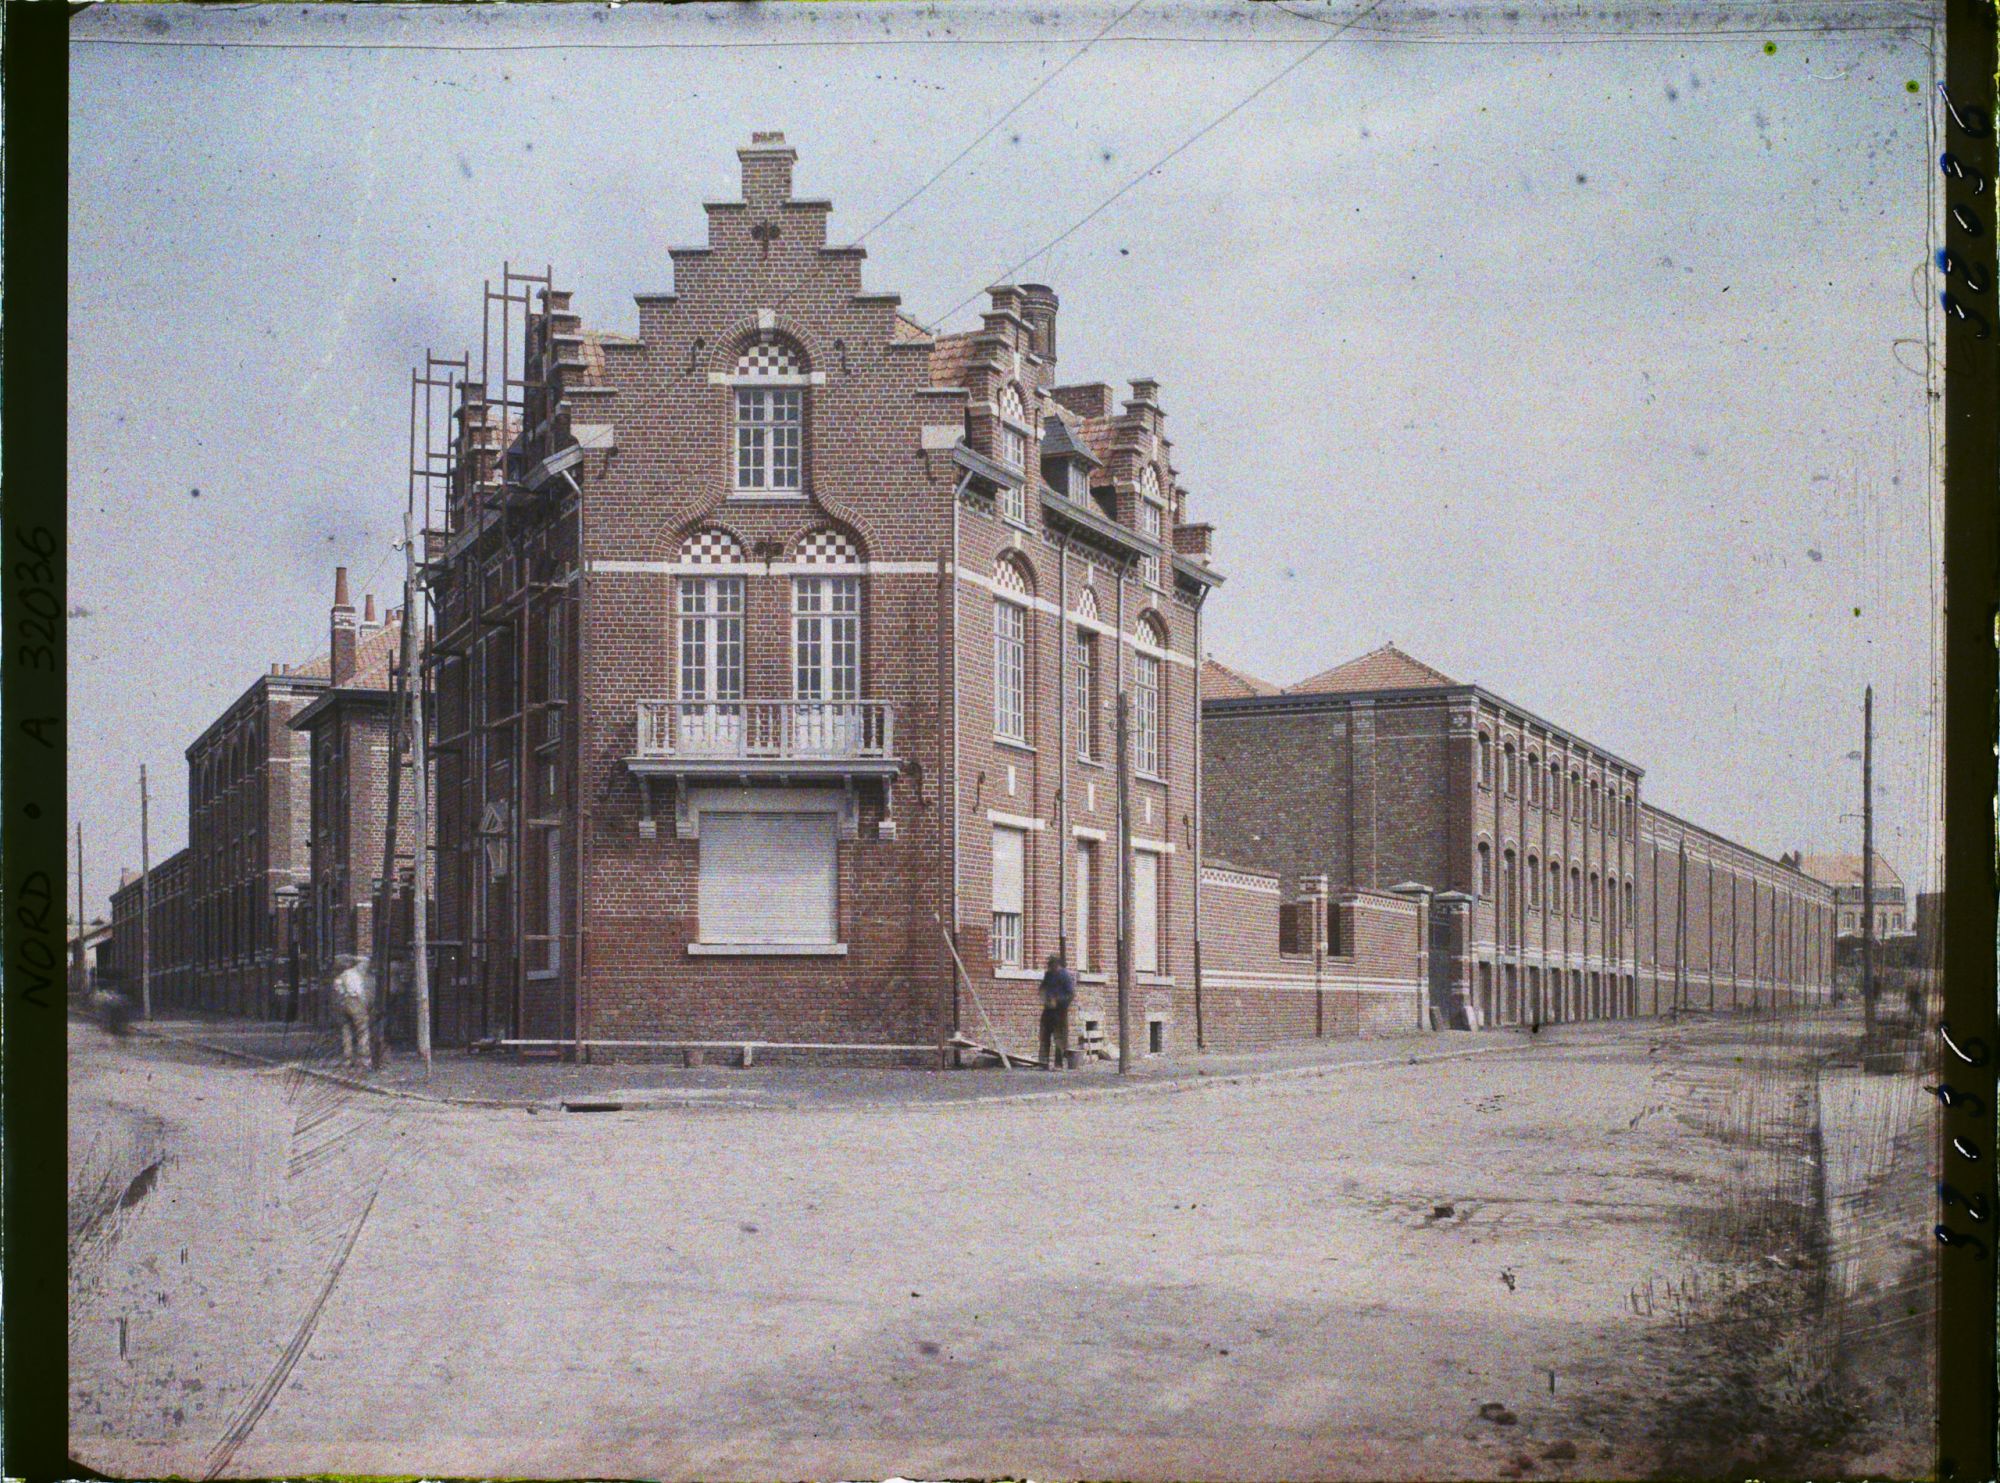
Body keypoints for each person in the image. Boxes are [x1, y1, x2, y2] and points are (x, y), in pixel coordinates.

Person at [330, 954, 375, 1068]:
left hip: (343, 1003)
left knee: (346, 1030)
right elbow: (359, 991)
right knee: (362, 1030)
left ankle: (348, 1058)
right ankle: (364, 1059)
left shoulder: (339, 977)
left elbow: (338, 991)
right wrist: (365, 1005)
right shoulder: (354, 974)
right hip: (355, 1001)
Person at [1038, 951, 1075, 1070]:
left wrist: (1058, 1001)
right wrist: (1044, 998)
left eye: (1052, 965)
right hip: (1048, 1010)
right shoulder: (1048, 975)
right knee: (1044, 1036)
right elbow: (1042, 988)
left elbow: (1070, 994)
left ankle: (1058, 1064)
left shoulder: (1065, 976)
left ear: (1057, 964)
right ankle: (1043, 1062)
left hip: (1060, 1012)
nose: (1050, 967)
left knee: (1059, 1038)